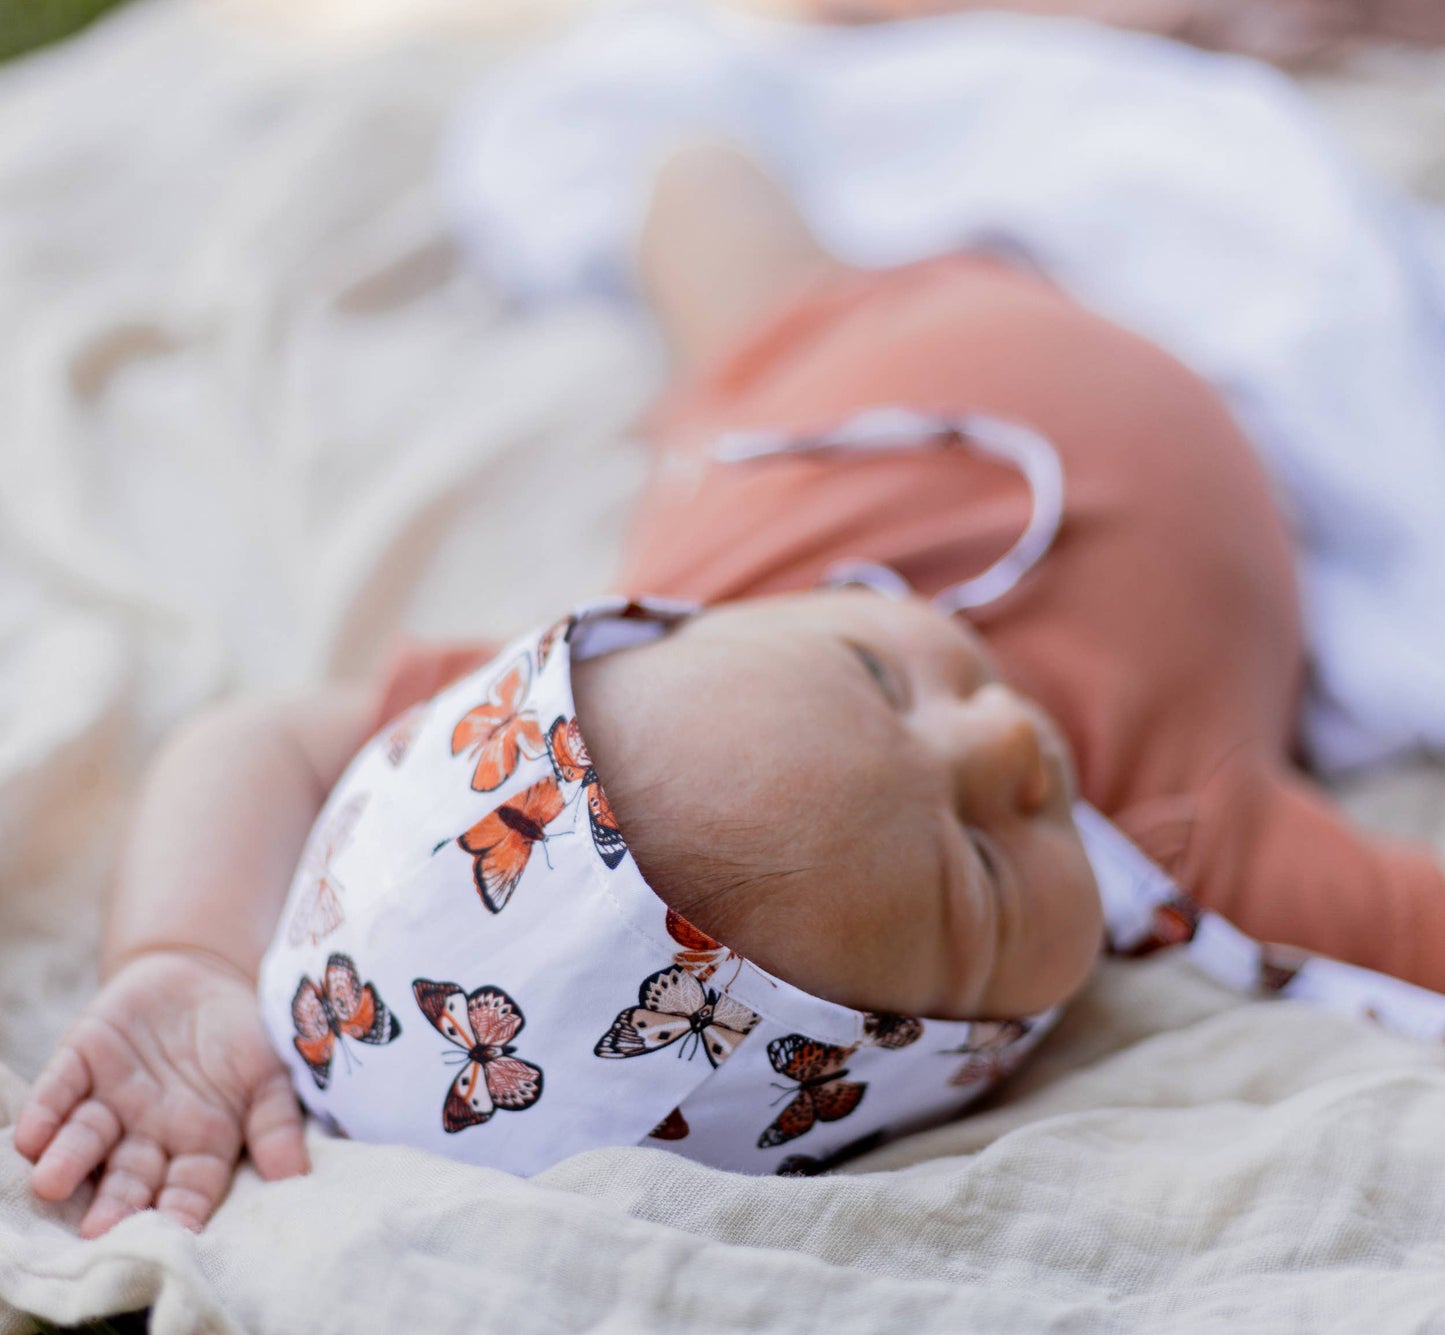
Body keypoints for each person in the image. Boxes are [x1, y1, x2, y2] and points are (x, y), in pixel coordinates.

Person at [13, 145, 1445, 1237]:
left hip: (807, 357)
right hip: (1103, 365)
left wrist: (186, 959)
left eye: (874, 668)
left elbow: (259, 740)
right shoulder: (1199, 857)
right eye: (977, 870)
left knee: (693, 187)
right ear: (953, 1066)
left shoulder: (575, 737)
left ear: (654, 636)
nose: (1006, 733)